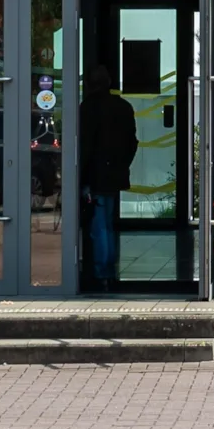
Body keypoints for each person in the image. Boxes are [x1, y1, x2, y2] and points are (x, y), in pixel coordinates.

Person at [78, 69, 139, 288]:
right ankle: (109, 271)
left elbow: (84, 146)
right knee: (108, 224)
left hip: (96, 174)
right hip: (115, 173)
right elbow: (133, 142)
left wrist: (78, 175)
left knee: (98, 225)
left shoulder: (88, 108)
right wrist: (122, 165)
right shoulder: (123, 106)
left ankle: (102, 273)